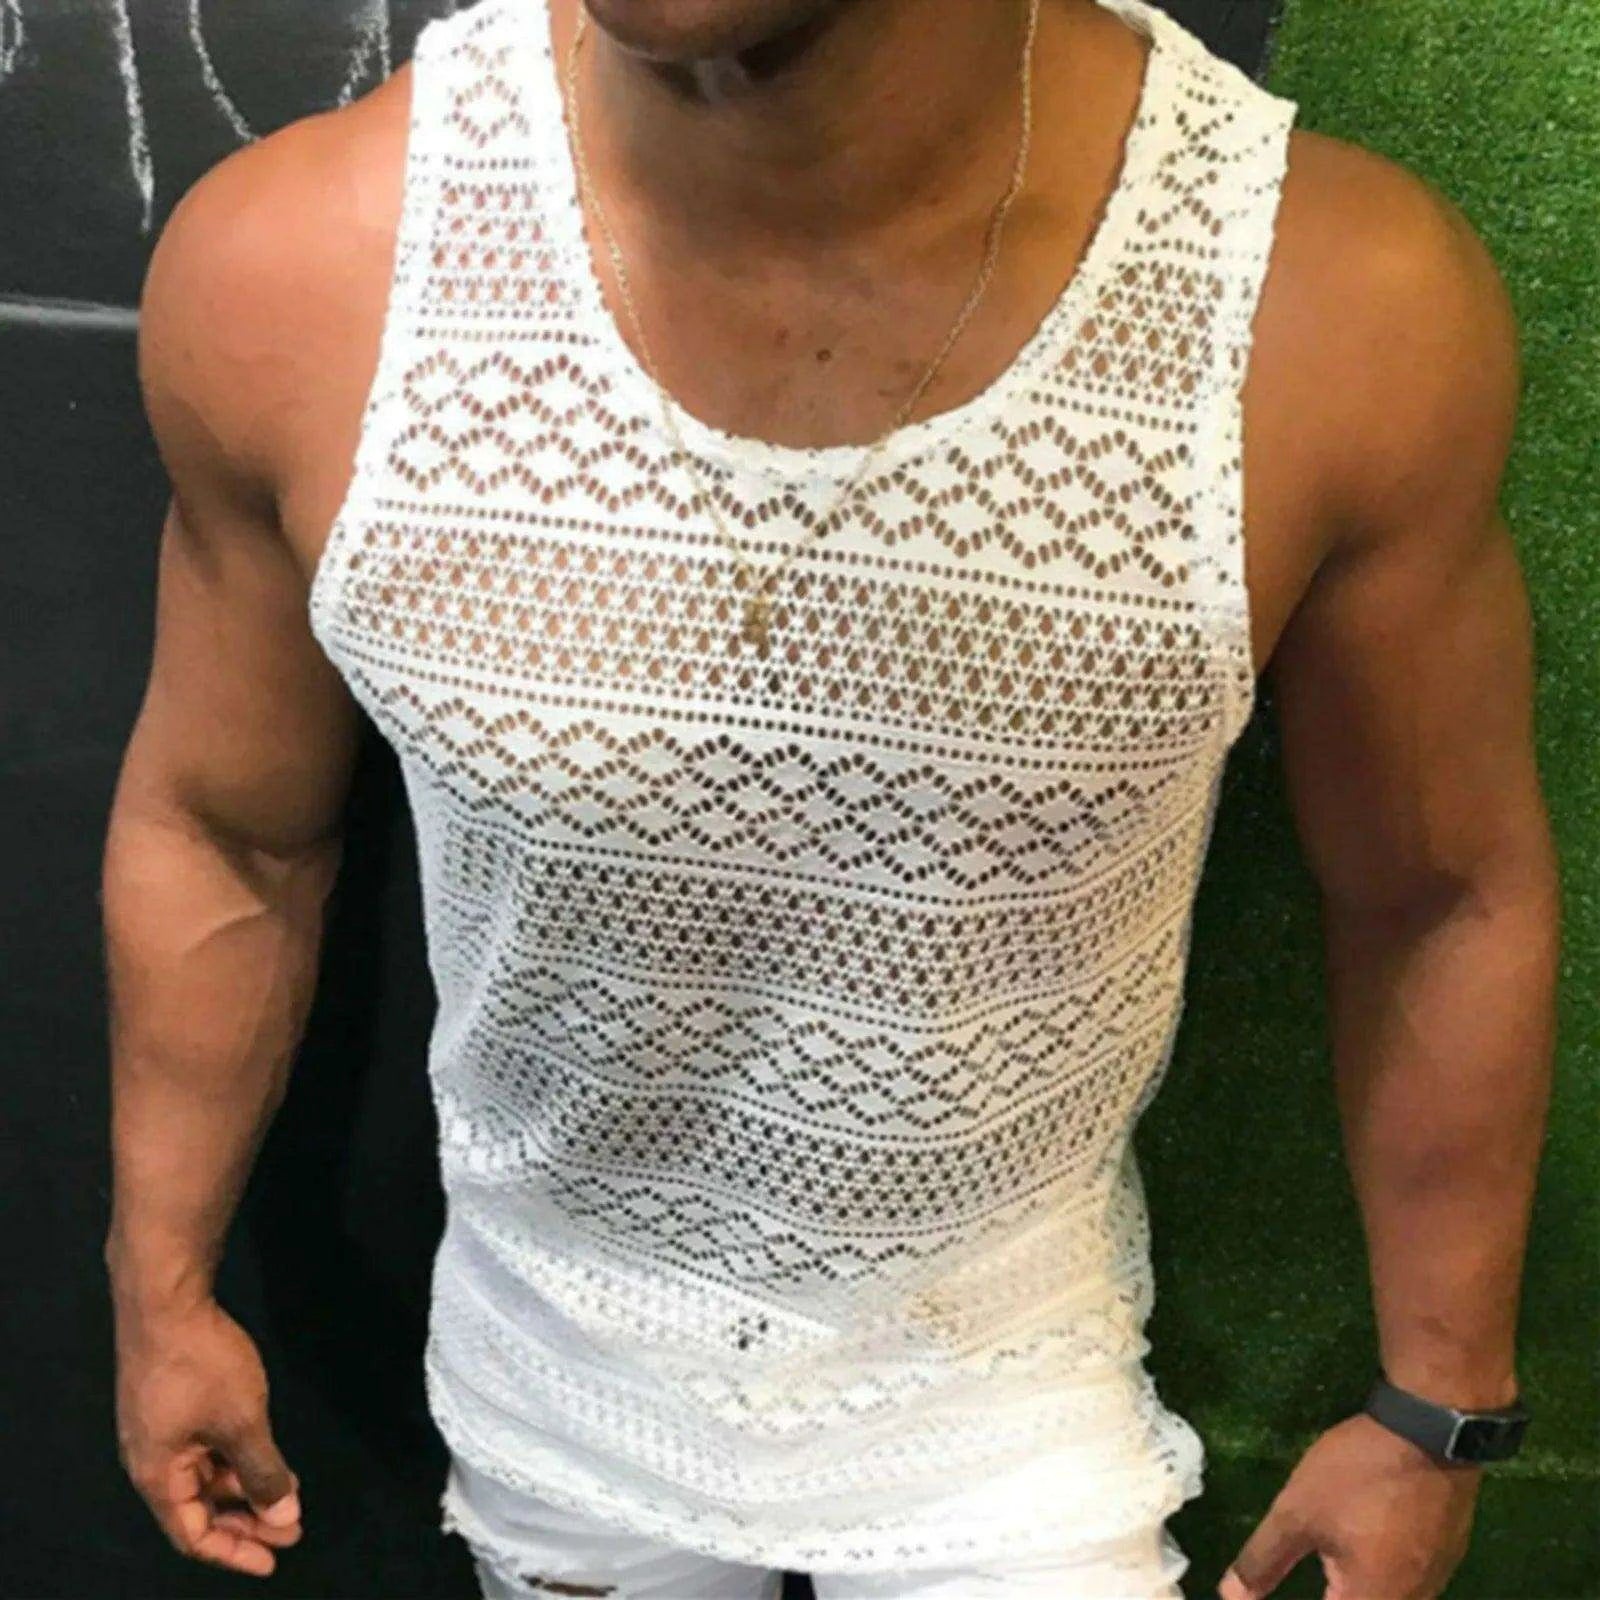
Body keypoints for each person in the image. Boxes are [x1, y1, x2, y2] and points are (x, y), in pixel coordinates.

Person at [101, 0, 1559, 1595]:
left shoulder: (1330, 305)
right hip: (555, 1385)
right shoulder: (302, 272)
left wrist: (1440, 1407)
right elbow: (224, 826)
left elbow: (1441, 890)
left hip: (1013, 1396)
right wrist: (159, 1283)